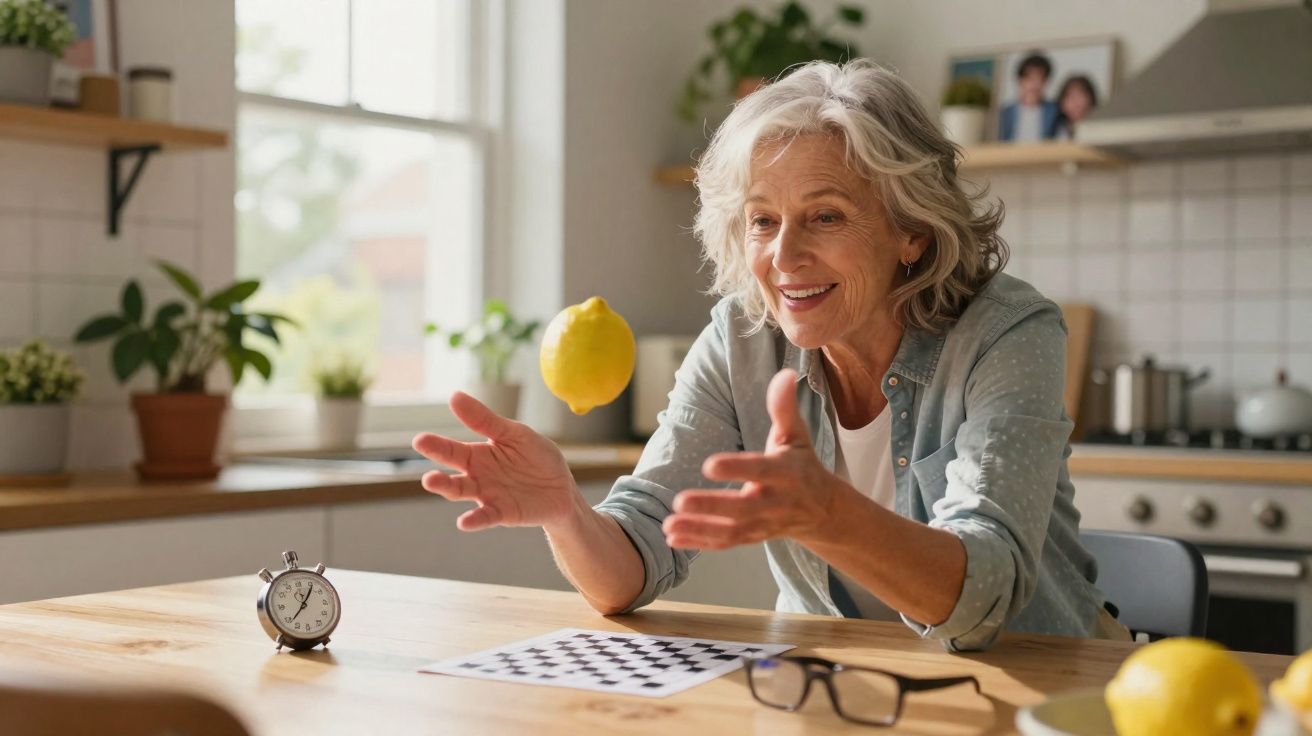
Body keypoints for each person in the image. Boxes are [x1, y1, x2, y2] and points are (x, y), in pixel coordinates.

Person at [412, 59, 1128, 652]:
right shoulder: (742, 339)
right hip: (840, 695)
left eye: (825, 216)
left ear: (911, 230)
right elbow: (630, 565)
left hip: (1045, 694)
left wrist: (826, 513)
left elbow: (982, 600)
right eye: (762, 220)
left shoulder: (1007, 332)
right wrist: (566, 511)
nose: (784, 257)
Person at [998, 52, 1058, 142]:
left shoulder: (1054, 111)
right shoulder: (1005, 113)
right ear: (1020, 80)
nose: (1035, 84)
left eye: (1040, 78)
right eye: (1030, 78)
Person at [1049, 75, 1099, 141]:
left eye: (1079, 96)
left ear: (1091, 100)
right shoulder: (1055, 129)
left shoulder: (1100, 128)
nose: (1075, 104)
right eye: (1070, 97)